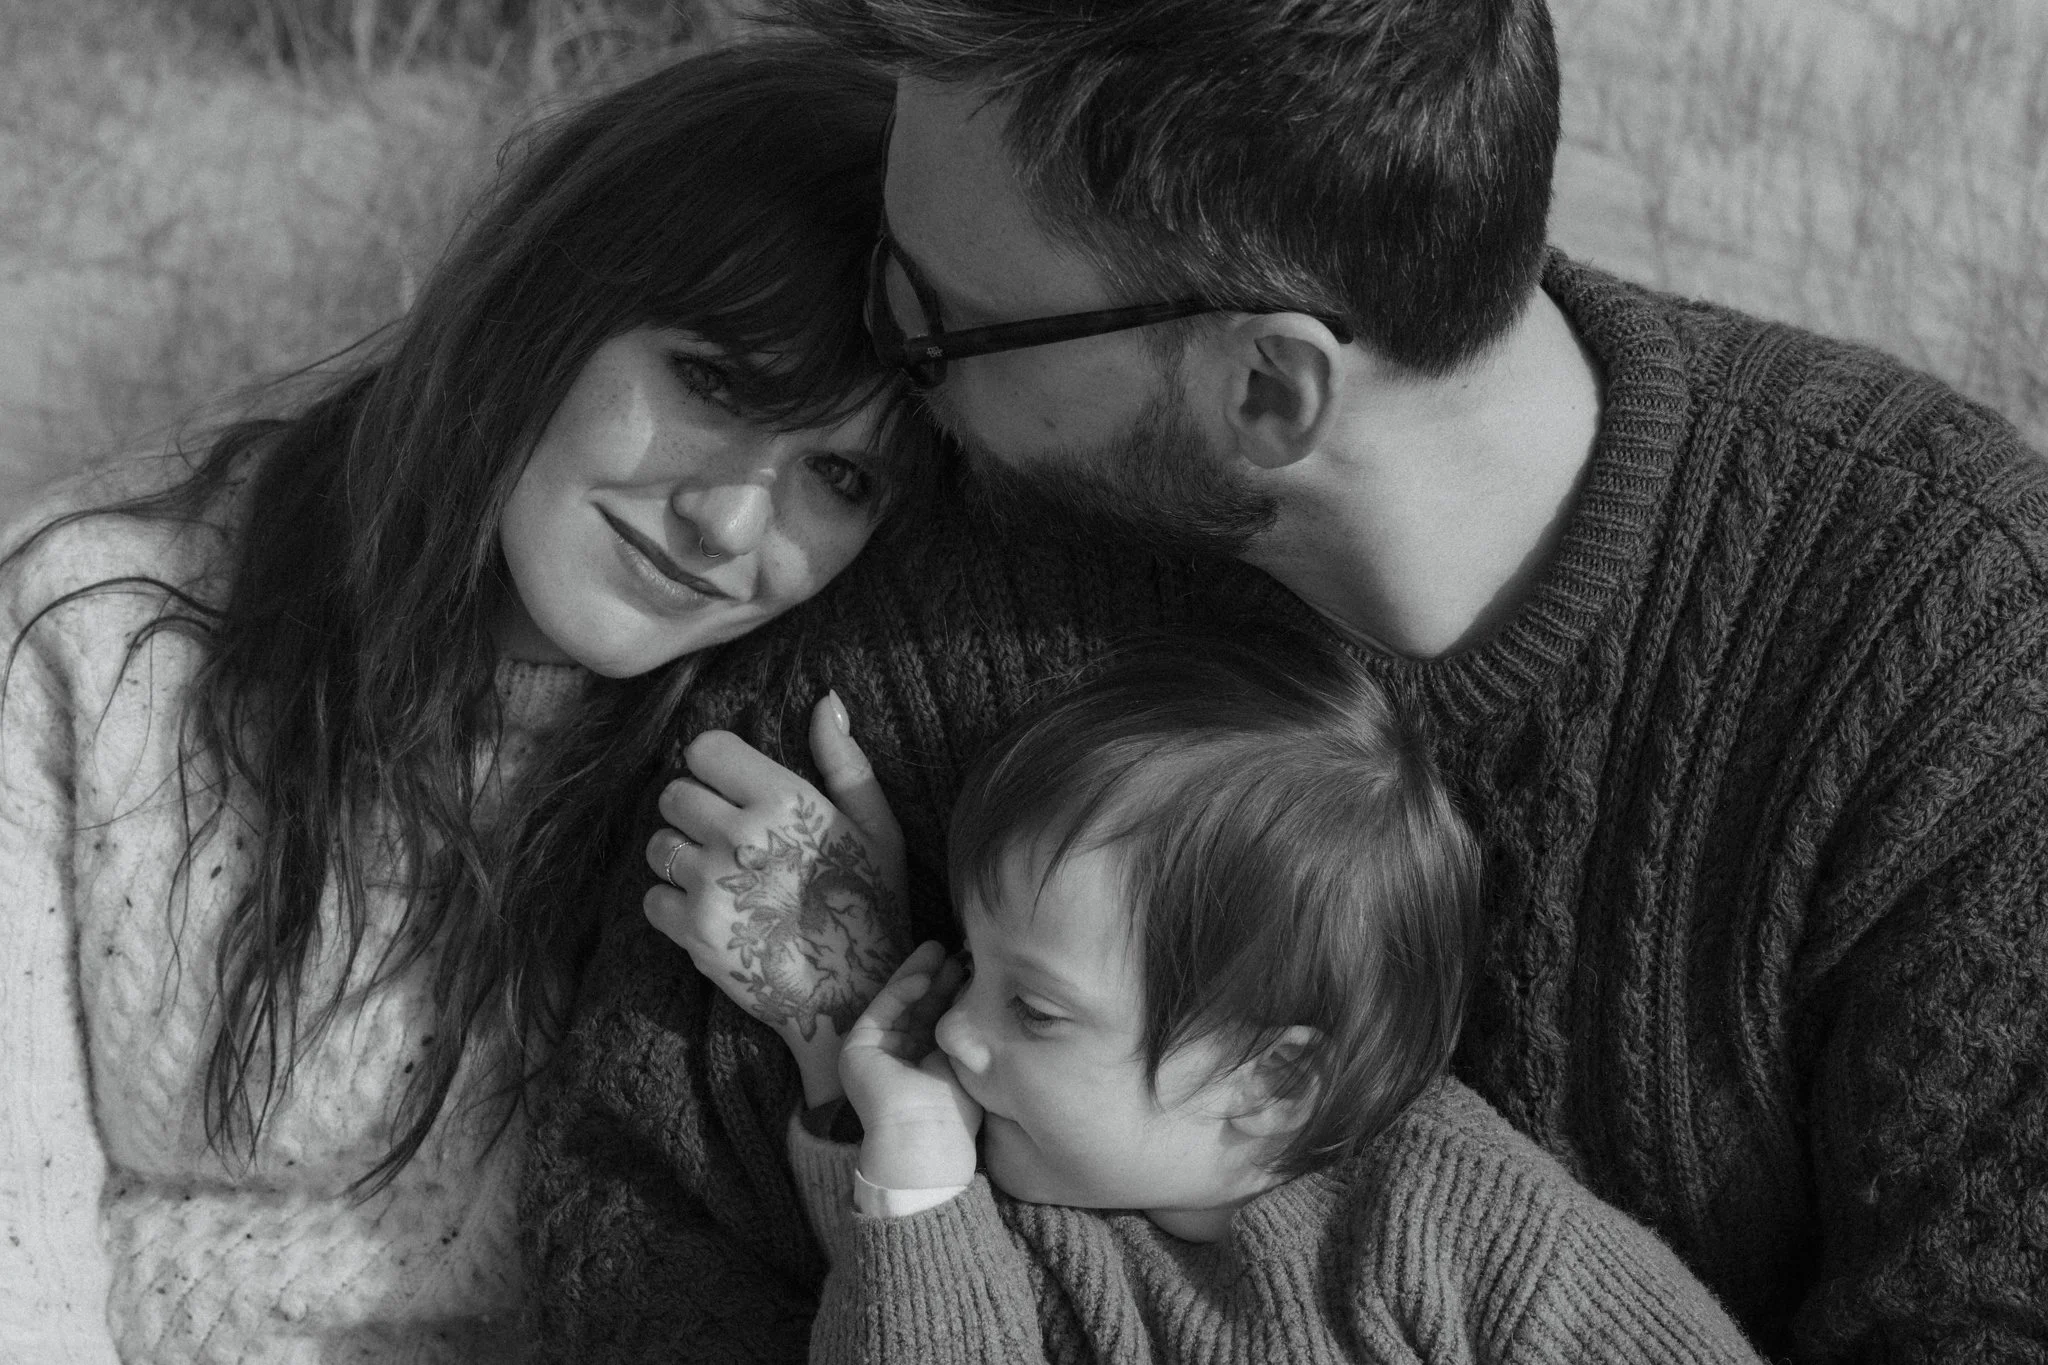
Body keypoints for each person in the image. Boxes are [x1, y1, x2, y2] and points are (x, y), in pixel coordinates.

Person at [525, 1, 2048, 1361]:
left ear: (1268, 388)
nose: (890, 364)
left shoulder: (1944, 629)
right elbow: (650, 1219)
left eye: (937, 322)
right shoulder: (927, 554)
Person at [0, 39, 929, 1363]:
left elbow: (909, 1304)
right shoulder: (92, 627)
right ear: (543, 303)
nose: (731, 521)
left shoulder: (808, 757)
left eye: (840, 477)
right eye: (710, 382)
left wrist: (854, 1020)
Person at [785, 636, 1765, 1363]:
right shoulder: (981, 1226)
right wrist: (908, 1176)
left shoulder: (1474, 1231)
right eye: (967, 957)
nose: (956, 1031)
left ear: (1271, 1075)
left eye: (1033, 1007)